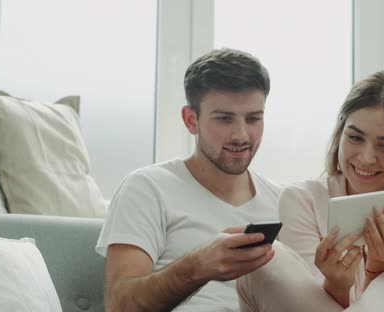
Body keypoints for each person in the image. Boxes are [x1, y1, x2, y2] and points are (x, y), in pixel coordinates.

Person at [237, 71, 384, 312]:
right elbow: (307, 303)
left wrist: (380, 269)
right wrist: (336, 286)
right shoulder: (303, 200)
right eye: (355, 137)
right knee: (267, 258)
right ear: (340, 134)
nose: (366, 158)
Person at [95, 48, 283, 312]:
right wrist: (197, 266)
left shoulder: (283, 201)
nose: (241, 135)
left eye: (253, 118)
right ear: (190, 120)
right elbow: (119, 305)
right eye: (224, 119)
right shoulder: (147, 188)